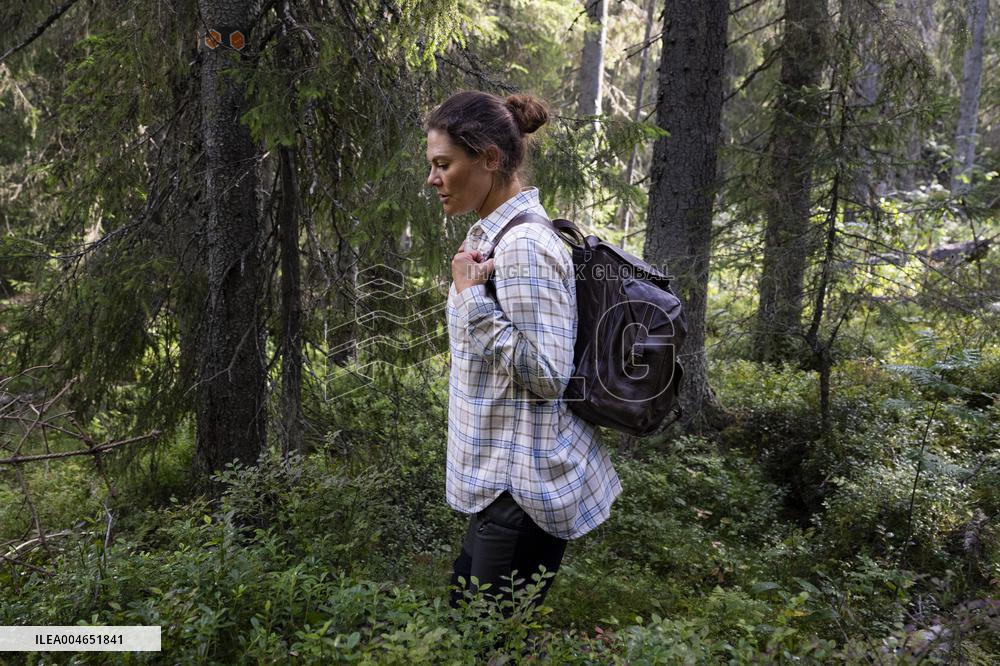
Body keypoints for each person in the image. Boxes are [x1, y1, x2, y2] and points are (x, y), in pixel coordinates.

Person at [422, 90, 621, 612]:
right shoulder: (496, 236)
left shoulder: (524, 246)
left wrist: (471, 302)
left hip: (520, 490)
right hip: (503, 484)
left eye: (444, 164)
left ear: (489, 158)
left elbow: (549, 373)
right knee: (477, 631)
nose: (432, 179)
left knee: (482, 638)